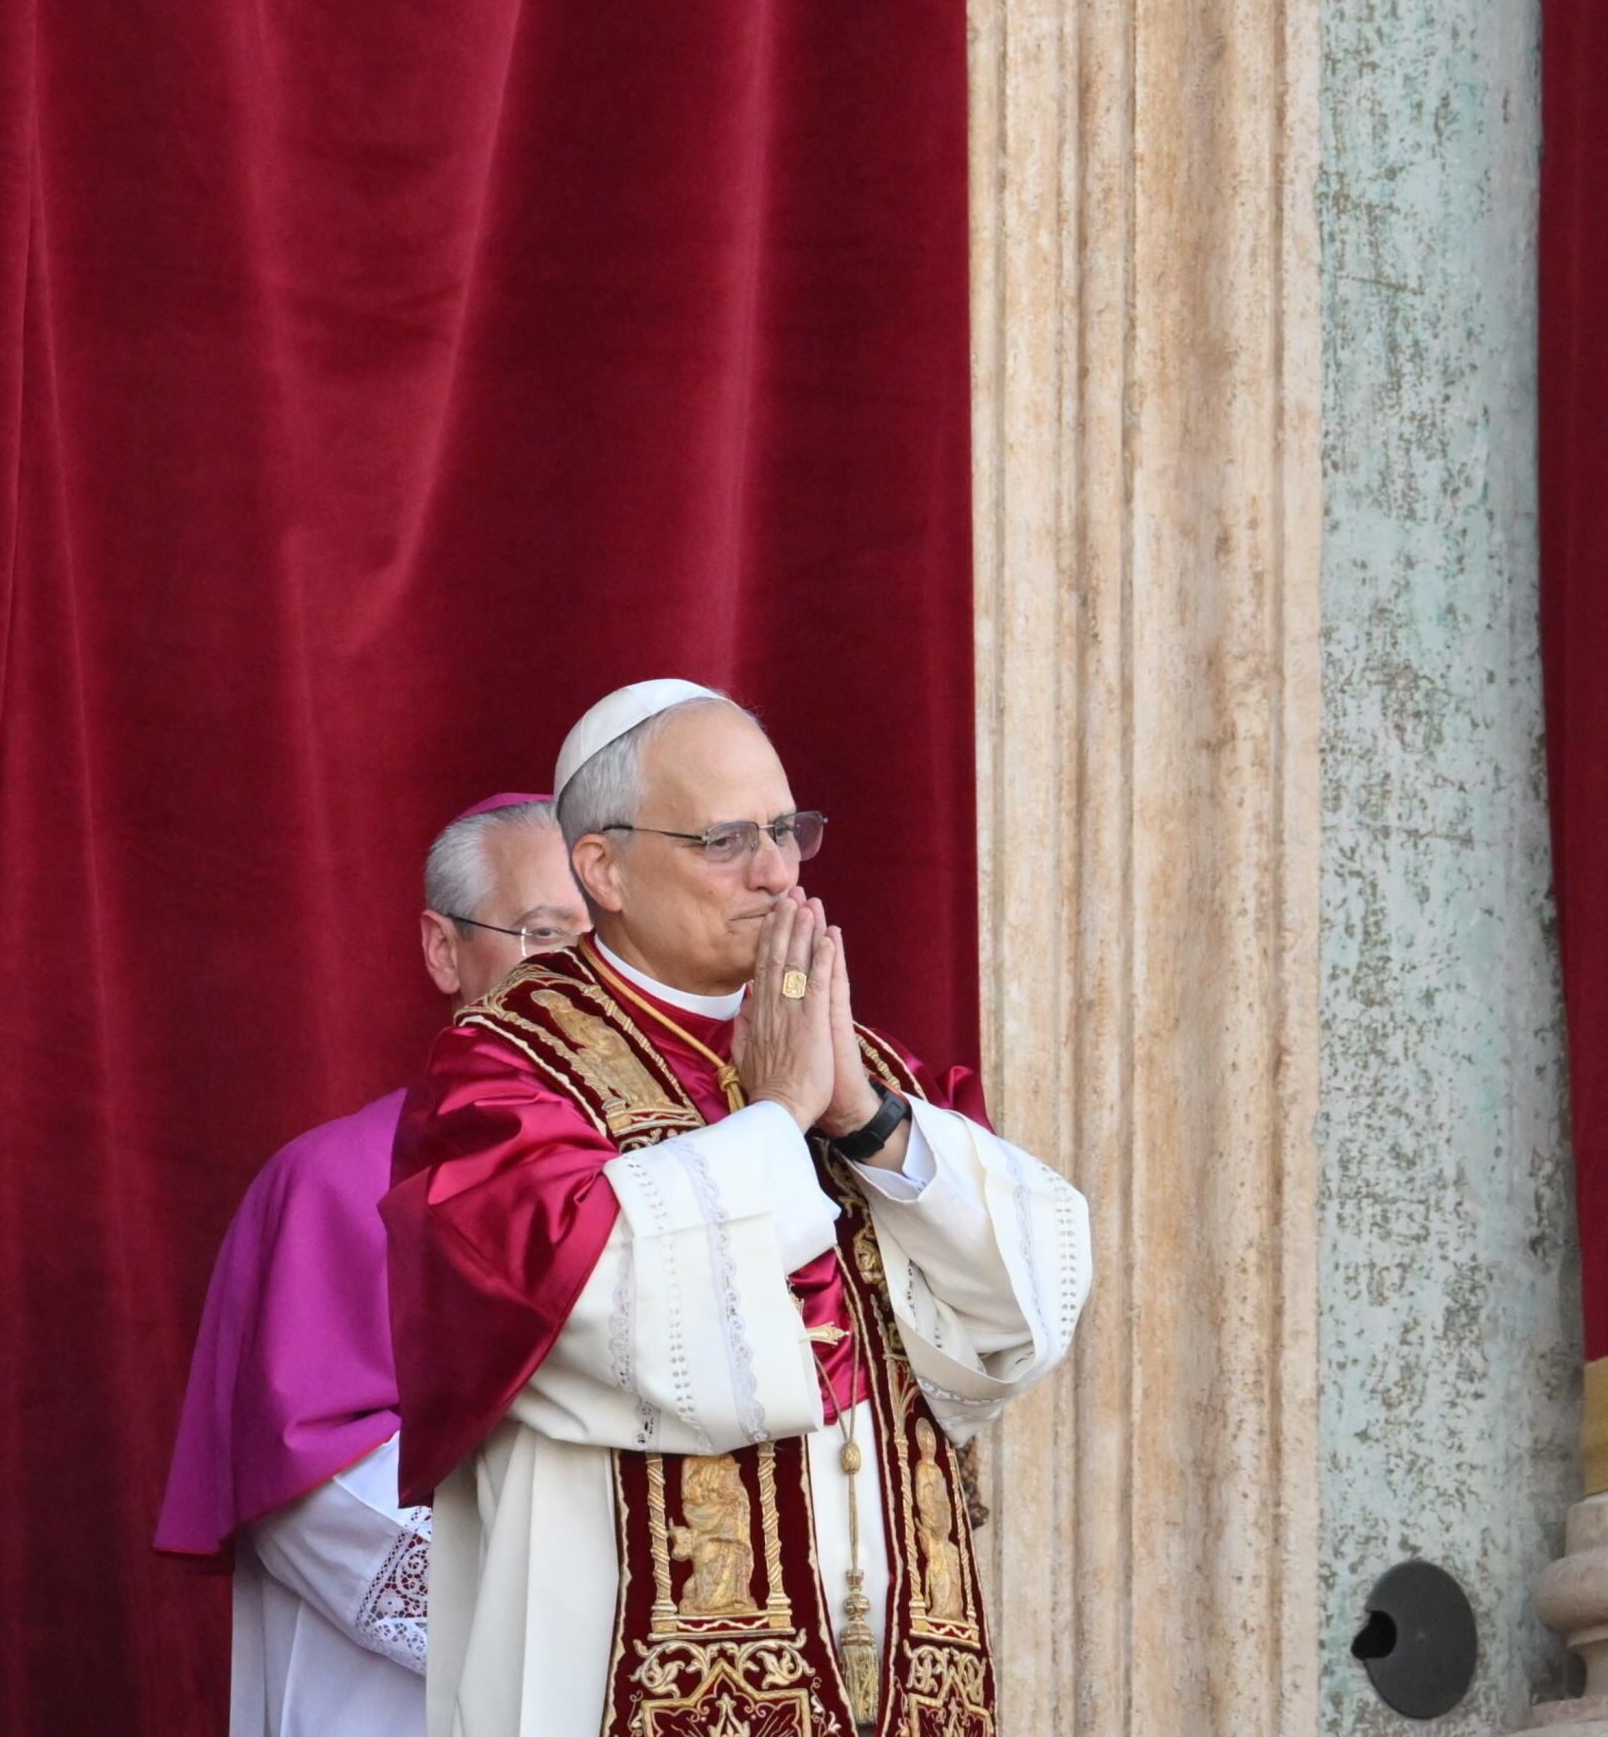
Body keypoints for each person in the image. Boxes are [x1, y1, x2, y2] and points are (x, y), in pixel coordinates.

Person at [384, 679, 1089, 1737]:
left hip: (889, 1679)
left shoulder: (866, 1064)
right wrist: (777, 1124)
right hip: (617, 1667)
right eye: (724, 840)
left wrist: (863, 1121)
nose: (776, 872)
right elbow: (582, 1300)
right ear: (603, 869)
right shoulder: (510, 1064)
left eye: (786, 830)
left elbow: (1025, 1311)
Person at [159, 793, 588, 1737]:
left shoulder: (682, 1175)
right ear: (444, 950)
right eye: (547, 938)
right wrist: (570, 1624)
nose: (585, 984)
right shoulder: (335, 1179)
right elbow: (314, 1494)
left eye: (610, 949)